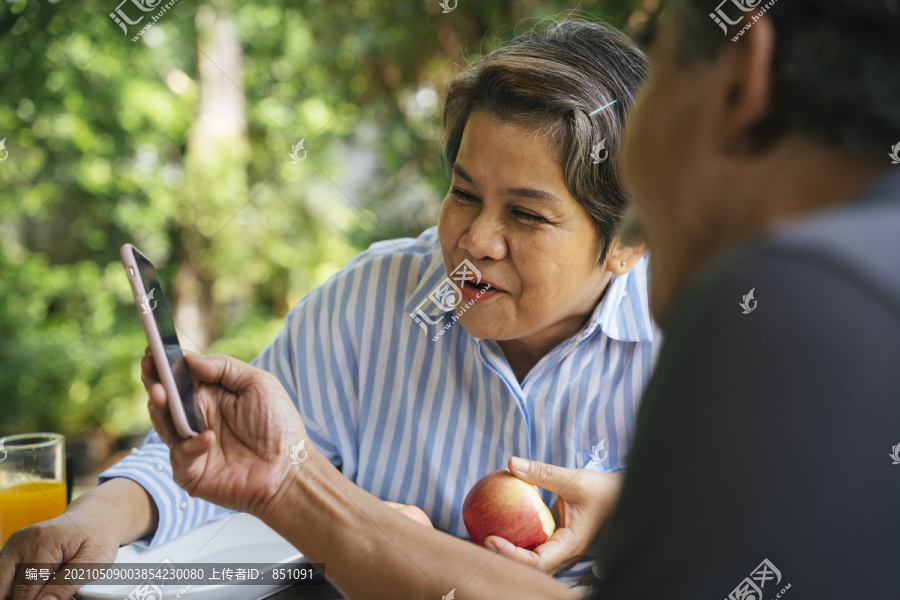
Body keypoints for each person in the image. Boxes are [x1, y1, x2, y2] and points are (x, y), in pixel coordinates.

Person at [0, 19, 660, 600]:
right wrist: (94, 520)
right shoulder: (373, 304)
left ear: (628, 240)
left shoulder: (689, 341)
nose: (476, 241)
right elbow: (223, 454)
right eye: (463, 194)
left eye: (526, 214)